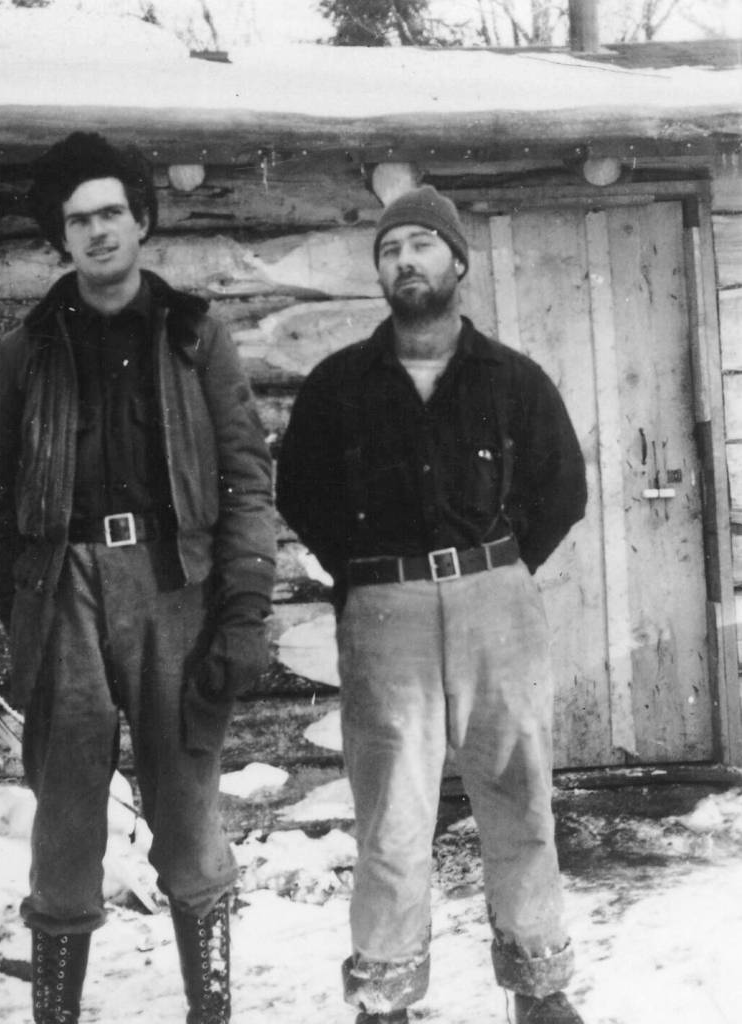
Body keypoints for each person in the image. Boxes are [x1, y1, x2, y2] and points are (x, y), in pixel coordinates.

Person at [0, 132, 276, 1024]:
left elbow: (246, 475)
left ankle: (209, 1009)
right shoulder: (25, 350)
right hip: (62, 589)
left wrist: (244, 603)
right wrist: (22, 601)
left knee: (186, 807)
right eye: (77, 220)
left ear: (141, 221)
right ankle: (57, 1014)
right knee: (64, 816)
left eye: (110, 213)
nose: (96, 232)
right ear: (59, 238)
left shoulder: (192, 337)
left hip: (173, 588)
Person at [276, 186, 588, 1024]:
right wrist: (370, 578)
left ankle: (540, 987)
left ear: (456, 260)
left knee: (520, 804)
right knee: (391, 823)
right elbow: (300, 493)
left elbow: (562, 489)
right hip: (386, 617)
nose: (404, 261)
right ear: (379, 273)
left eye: (420, 244)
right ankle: (384, 996)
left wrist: (498, 571)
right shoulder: (338, 386)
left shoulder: (512, 380)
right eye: (389, 250)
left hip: (496, 605)